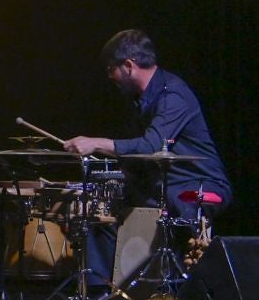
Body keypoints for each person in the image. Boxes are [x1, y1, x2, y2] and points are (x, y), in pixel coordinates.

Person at [63, 29, 231, 285]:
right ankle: (104, 293)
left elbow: (151, 146)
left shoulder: (173, 96)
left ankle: (180, 290)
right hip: (161, 184)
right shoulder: (141, 100)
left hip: (196, 183)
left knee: (169, 205)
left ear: (128, 66)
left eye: (111, 69)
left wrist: (95, 143)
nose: (110, 77)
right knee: (102, 215)